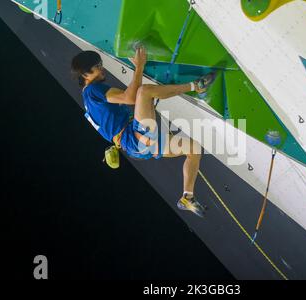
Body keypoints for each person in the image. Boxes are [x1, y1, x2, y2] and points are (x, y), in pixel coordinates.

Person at [71, 48, 216, 217]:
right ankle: (195, 86)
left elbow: (126, 99)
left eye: (100, 64)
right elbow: (130, 98)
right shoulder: (92, 91)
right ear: (85, 75)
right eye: (97, 66)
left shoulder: (89, 99)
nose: (102, 68)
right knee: (144, 92)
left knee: (193, 148)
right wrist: (139, 67)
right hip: (133, 139)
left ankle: (187, 197)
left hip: (135, 145)